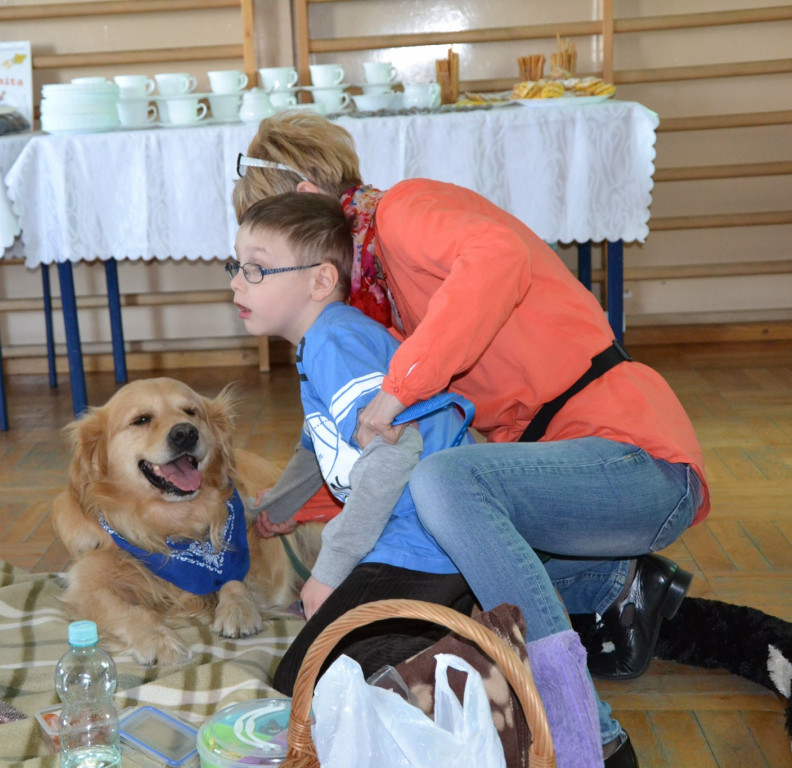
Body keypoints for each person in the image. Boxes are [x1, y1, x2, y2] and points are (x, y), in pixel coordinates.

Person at [232, 111, 710, 768]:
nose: (246, 278)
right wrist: (277, 515)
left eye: (267, 249)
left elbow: (499, 258)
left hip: (635, 455)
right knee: (448, 551)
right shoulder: (373, 304)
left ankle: (585, 731)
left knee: (446, 482)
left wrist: (403, 383)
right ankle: (612, 586)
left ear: (309, 199)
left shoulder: (403, 210)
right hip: (564, 477)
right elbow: (350, 443)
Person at [229, 191, 602, 768]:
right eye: (236, 266)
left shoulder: (335, 341)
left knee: (305, 679)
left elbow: (392, 457)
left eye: (255, 268)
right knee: (315, 675)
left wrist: (329, 571)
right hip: (427, 544)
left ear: (320, 280)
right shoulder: (321, 344)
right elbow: (318, 439)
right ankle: (472, 632)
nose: (237, 282)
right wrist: (281, 506)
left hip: (418, 545)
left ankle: (494, 673)